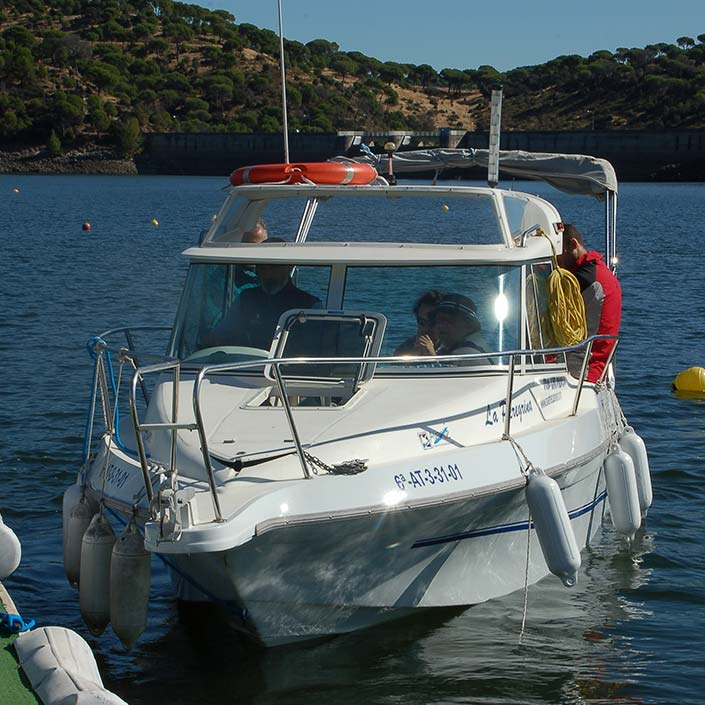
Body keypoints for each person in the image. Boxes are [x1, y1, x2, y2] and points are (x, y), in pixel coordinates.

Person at [206, 237, 320, 350]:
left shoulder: (309, 305)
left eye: (273, 266)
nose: (267, 272)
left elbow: (317, 348)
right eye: (262, 266)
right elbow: (221, 335)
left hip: (288, 366)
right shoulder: (245, 299)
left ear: (289, 266)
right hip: (246, 365)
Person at [557, 223, 622, 383]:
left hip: (583, 372)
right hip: (598, 369)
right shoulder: (598, 272)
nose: (556, 261)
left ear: (573, 245)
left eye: (558, 254)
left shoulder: (588, 279)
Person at [434, 293, 492, 365]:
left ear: (469, 325)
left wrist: (431, 361)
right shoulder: (478, 345)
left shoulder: (466, 354)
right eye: (438, 320)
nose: (441, 325)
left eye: (449, 320)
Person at [394, 290, 445, 356]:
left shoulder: (455, 350)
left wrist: (430, 355)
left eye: (432, 323)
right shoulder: (406, 347)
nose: (425, 329)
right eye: (422, 322)